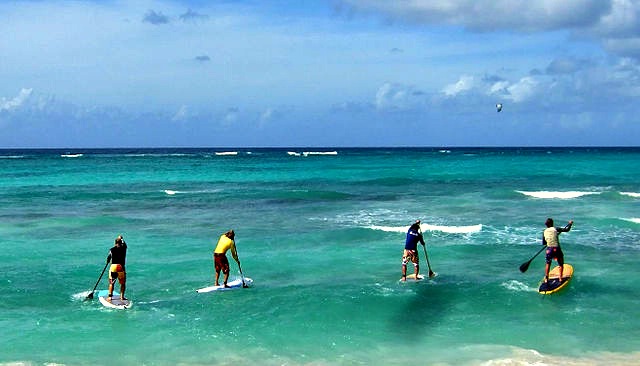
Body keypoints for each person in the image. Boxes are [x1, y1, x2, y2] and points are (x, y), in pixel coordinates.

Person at [542, 218, 573, 283]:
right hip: (556, 249)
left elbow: (544, 243)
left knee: (548, 263)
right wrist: (570, 224)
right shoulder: (555, 229)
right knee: (560, 263)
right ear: (551, 223)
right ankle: (560, 278)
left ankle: (546, 279)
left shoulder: (544, 231)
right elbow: (566, 230)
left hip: (549, 250)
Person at [106, 235, 127, 302]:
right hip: (121, 267)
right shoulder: (124, 248)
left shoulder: (111, 249)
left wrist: (107, 261)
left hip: (114, 267)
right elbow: (125, 244)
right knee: (123, 283)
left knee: (111, 283)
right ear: (121, 243)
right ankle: (122, 297)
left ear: (115, 243)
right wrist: (121, 238)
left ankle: (110, 297)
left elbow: (108, 258)